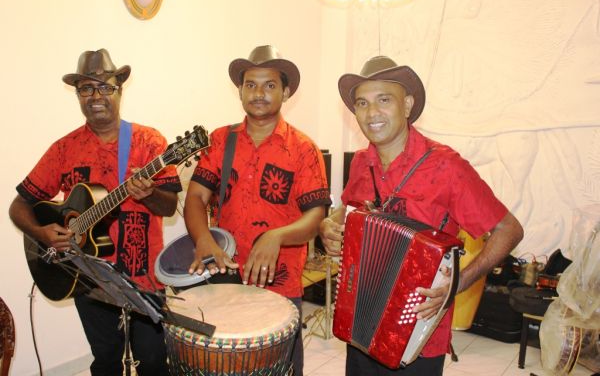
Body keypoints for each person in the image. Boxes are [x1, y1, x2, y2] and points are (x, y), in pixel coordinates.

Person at [319, 56, 524, 375]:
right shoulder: (361, 163)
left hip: (418, 332)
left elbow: (508, 229)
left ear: (407, 105)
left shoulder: (446, 166)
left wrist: (459, 282)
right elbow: (345, 212)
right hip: (360, 320)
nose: (371, 113)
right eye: (362, 103)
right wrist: (328, 225)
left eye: (384, 100)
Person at [8, 49, 180, 376]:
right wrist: (41, 233)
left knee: (154, 361)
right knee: (106, 360)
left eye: (105, 87)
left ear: (119, 90)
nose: (96, 96)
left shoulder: (149, 141)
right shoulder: (63, 149)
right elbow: (19, 206)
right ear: (77, 95)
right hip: (87, 279)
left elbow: (169, 206)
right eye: (86, 88)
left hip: (144, 278)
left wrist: (149, 194)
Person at [184, 45, 331, 376]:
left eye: (269, 85)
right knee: (228, 367)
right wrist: (203, 239)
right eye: (250, 84)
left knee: (281, 368)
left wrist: (276, 236)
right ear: (240, 91)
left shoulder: (303, 149)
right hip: (225, 278)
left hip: (280, 284)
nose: (259, 93)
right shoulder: (220, 140)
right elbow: (195, 198)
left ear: (285, 93)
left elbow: (315, 219)